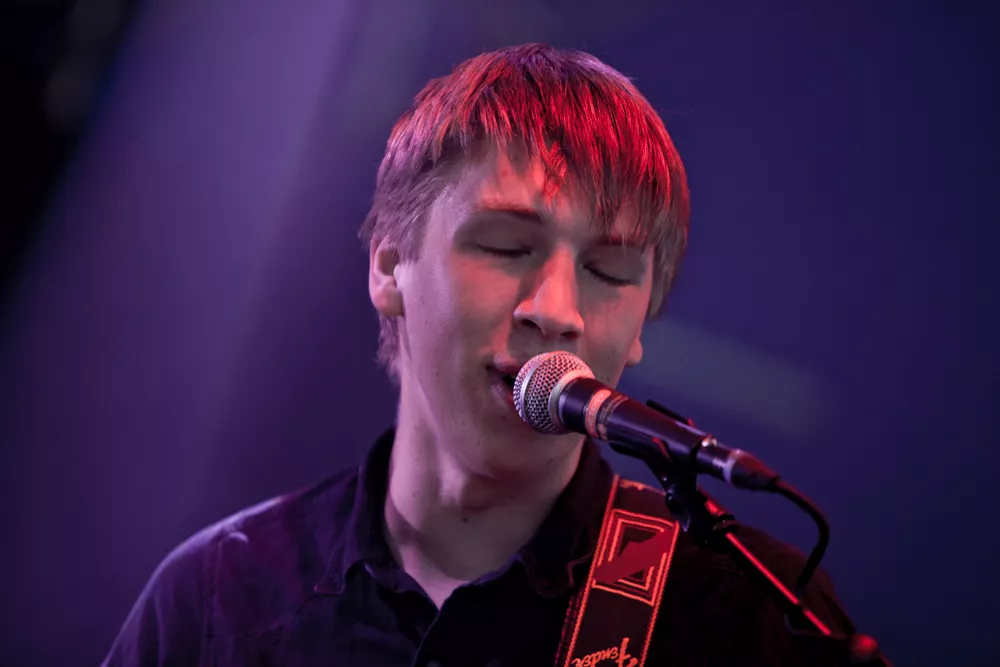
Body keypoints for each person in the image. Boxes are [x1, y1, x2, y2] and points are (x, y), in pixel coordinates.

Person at [103, 43, 862, 666]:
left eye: (606, 270)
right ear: (390, 265)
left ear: (640, 325)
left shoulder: (751, 617)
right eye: (506, 246)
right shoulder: (217, 596)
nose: (558, 311)